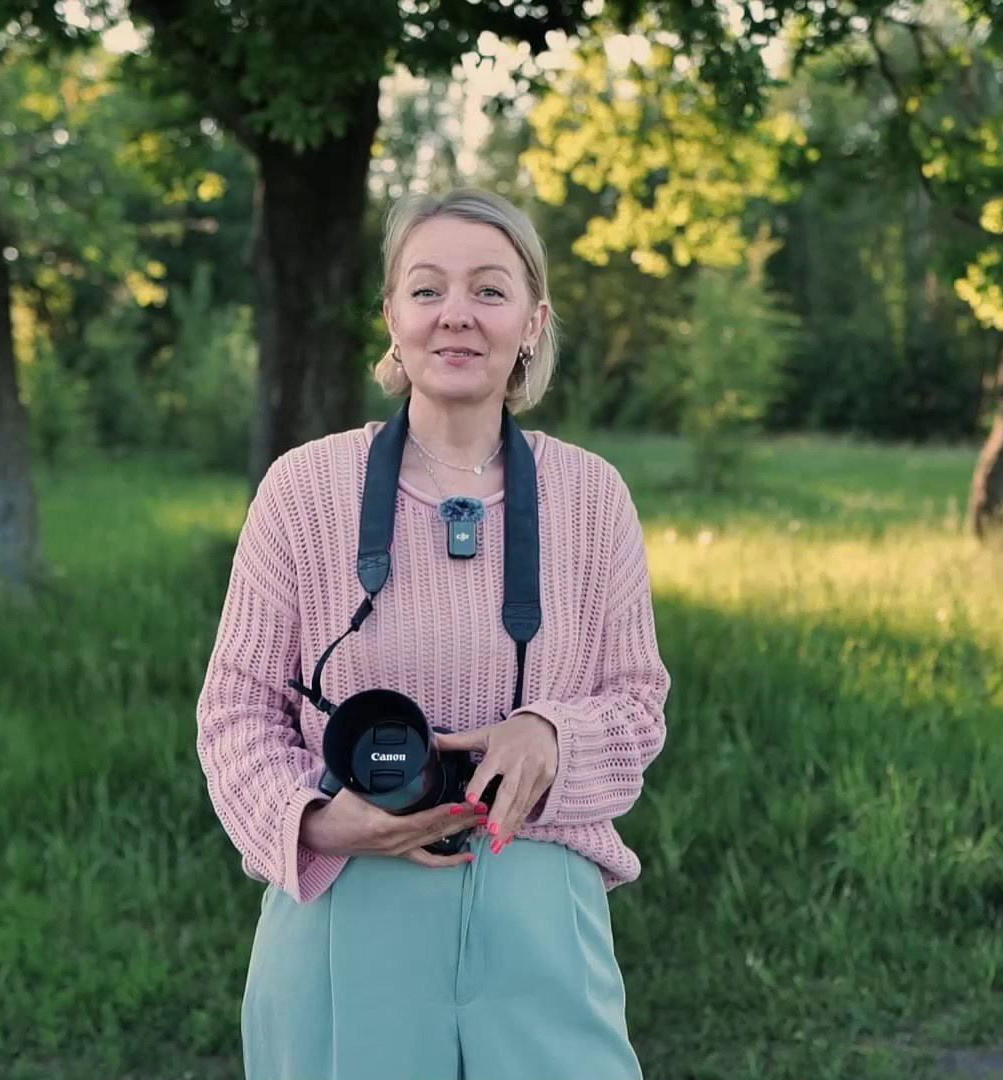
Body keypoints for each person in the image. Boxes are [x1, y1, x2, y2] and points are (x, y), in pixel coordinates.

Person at [195, 187, 671, 1080]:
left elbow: (638, 707)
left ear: (533, 322)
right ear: (392, 317)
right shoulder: (304, 490)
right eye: (427, 289)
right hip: (344, 908)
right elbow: (234, 712)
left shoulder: (592, 497)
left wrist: (549, 736)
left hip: (539, 900)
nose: (457, 314)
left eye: (490, 291)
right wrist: (317, 821)